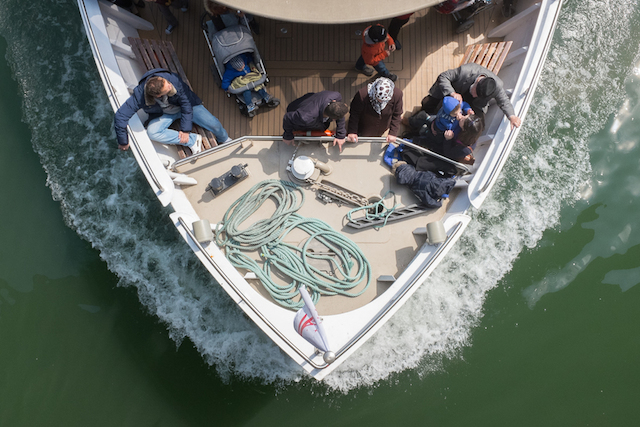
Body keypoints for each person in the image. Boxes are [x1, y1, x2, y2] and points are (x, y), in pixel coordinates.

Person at [114, 68, 230, 154]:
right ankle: (192, 140)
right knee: (152, 132)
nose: (170, 85)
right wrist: (123, 141)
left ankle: (224, 139)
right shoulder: (140, 95)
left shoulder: (173, 81)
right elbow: (120, 116)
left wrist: (185, 130)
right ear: (158, 95)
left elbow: (186, 104)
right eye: (167, 87)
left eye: (168, 83)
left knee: (214, 124)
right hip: (165, 113)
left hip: (187, 107)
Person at [419, 63, 521, 129]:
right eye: (474, 91)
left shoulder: (497, 86)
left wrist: (511, 116)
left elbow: (504, 101)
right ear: (477, 82)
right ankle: (426, 119)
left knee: (478, 126)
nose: (474, 95)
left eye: (478, 95)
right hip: (454, 91)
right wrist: (452, 93)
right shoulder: (465, 71)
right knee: (427, 103)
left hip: (474, 105)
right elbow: (443, 77)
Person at [346, 77, 403, 151]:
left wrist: (393, 133)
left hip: (384, 124)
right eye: (378, 99)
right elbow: (354, 114)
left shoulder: (397, 94)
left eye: (383, 100)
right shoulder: (362, 94)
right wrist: (352, 131)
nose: (380, 102)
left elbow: (397, 114)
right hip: (365, 124)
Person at [282, 91, 348, 148]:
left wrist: (340, 135)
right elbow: (288, 117)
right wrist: (288, 136)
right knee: (299, 125)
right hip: (297, 110)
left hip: (312, 102)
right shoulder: (305, 118)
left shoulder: (335, 96)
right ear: (333, 119)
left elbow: (338, 111)